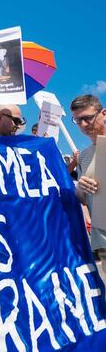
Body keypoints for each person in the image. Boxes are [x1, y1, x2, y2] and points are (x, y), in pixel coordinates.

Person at [70, 94, 106, 278]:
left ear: (104, 113)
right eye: (77, 120)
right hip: (102, 242)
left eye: (87, 118)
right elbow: (82, 199)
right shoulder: (84, 156)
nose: (83, 125)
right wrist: (80, 188)